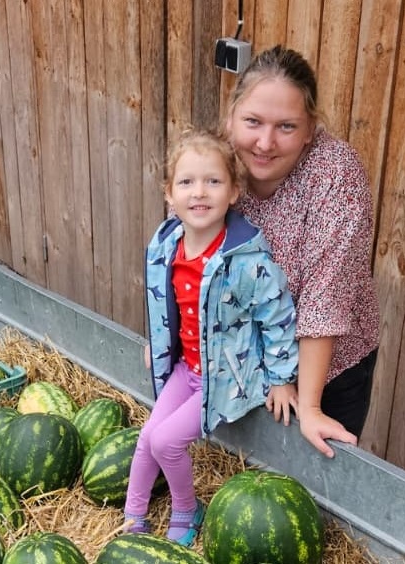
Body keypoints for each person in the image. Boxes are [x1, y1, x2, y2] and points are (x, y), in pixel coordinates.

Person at [123, 129, 299, 546]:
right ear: (170, 194)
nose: (199, 192)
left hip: (225, 379)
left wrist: (281, 377)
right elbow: (160, 301)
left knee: (166, 441)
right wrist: (158, 342)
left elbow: (278, 317)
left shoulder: (245, 261)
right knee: (148, 435)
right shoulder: (166, 245)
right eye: (186, 182)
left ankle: (188, 508)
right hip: (187, 369)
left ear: (234, 191)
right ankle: (133, 513)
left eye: (213, 181)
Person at [225, 45, 381, 459]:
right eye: (253, 121)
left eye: (287, 126)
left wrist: (310, 407)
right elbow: (182, 250)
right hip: (241, 355)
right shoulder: (213, 163)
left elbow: (324, 298)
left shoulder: (336, 177)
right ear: (232, 116)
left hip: (326, 368)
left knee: (309, 494)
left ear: (311, 128)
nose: (264, 142)